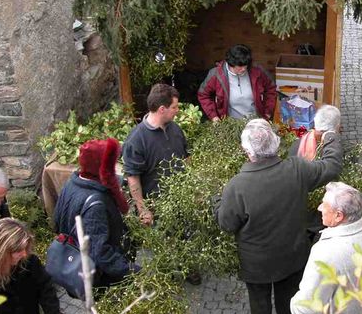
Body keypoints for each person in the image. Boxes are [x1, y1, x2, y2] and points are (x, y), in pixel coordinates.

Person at [215, 118, 342, 314]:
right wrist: (329, 138)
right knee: (289, 305)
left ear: (247, 151)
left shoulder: (237, 186)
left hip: (257, 265)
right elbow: (332, 167)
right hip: (292, 257)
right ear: (275, 143)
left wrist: (218, 201)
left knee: (260, 306)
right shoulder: (297, 169)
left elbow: (226, 223)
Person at [290, 182, 362, 314]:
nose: (320, 208)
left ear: (338, 215)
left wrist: (294, 304)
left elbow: (308, 310)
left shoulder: (325, 252)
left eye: (324, 205)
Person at [55, 138, 138, 289]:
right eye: (111, 164)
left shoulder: (72, 183)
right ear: (101, 167)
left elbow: (57, 221)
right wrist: (133, 271)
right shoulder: (96, 203)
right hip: (102, 277)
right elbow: (101, 254)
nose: (114, 168)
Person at [122, 83, 188, 226]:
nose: (177, 110)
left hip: (182, 201)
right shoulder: (136, 140)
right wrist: (142, 209)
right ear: (162, 109)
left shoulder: (176, 129)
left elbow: (186, 159)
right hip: (157, 209)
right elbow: (133, 177)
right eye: (174, 107)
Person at [289, 104, 342, 242]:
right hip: (318, 215)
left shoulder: (298, 144)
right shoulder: (333, 150)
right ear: (336, 128)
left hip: (299, 209)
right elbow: (333, 170)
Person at [197, 44, 276, 121]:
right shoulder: (216, 74)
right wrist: (214, 117)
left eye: (245, 66)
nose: (244, 69)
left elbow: (271, 88)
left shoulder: (257, 71)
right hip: (230, 123)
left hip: (255, 122)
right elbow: (203, 95)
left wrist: (267, 113)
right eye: (240, 67)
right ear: (231, 64)